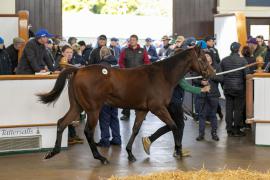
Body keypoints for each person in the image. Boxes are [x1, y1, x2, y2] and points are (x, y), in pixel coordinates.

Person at [142, 78, 210, 157]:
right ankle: (177, 150)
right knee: (179, 125)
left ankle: (176, 149)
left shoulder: (173, 70)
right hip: (174, 102)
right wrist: (202, 89)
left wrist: (200, 82)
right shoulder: (178, 72)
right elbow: (186, 86)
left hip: (172, 102)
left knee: (172, 125)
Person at [118, 34, 151, 121]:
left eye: (133, 40)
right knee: (126, 95)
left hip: (140, 77)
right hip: (127, 76)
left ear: (137, 41)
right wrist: (124, 70)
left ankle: (140, 114)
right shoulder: (124, 50)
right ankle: (126, 114)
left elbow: (147, 62)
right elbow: (120, 62)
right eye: (130, 40)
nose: (132, 41)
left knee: (140, 96)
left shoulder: (143, 50)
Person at [221, 42, 249, 137]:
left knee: (228, 109)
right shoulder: (243, 61)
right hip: (239, 88)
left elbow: (221, 76)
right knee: (238, 109)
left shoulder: (224, 60)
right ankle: (236, 129)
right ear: (239, 49)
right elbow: (247, 76)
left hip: (227, 88)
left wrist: (223, 86)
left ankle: (229, 128)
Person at [194, 52, 223, 141]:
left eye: (208, 55)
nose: (206, 57)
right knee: (201, 115)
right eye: (205, 56)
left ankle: (214, 133)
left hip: (213, 94)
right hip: (202, 94)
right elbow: (194, 79)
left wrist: (211, 75)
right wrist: (201, 82)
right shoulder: (199, 66)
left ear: (211, 57)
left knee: (213, 115)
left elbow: (221, 79)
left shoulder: (217, 67)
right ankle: (201, 134)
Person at [95, 46, 121, 147]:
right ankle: (117, 139)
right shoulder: (117, 64)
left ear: (101, 54)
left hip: (105, 95)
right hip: (116, 94)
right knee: (114, 117)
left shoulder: (101, 65)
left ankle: (105, 140)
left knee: (104, 118)